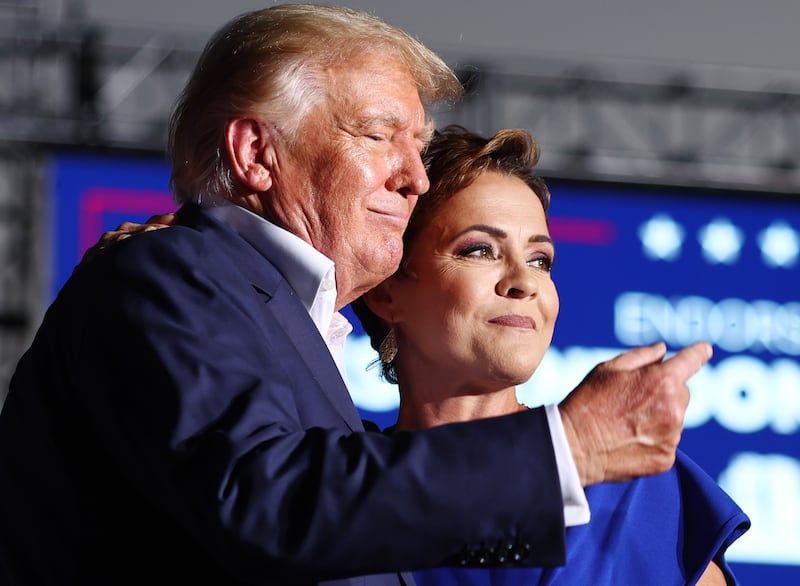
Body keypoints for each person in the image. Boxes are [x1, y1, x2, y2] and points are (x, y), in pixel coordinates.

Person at [0, 5, 713, 586]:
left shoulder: (275, 319)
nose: (416, 177)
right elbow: (268, 505)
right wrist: (571, 447)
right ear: (255, 154)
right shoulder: (172, 272)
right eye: (379, 135)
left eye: (419, 145)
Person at [352, 125, 749, 585]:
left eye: (541, 259)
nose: (525, 281)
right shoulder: (337, 491)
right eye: (480, 250)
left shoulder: (630, 477)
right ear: (387, 292)